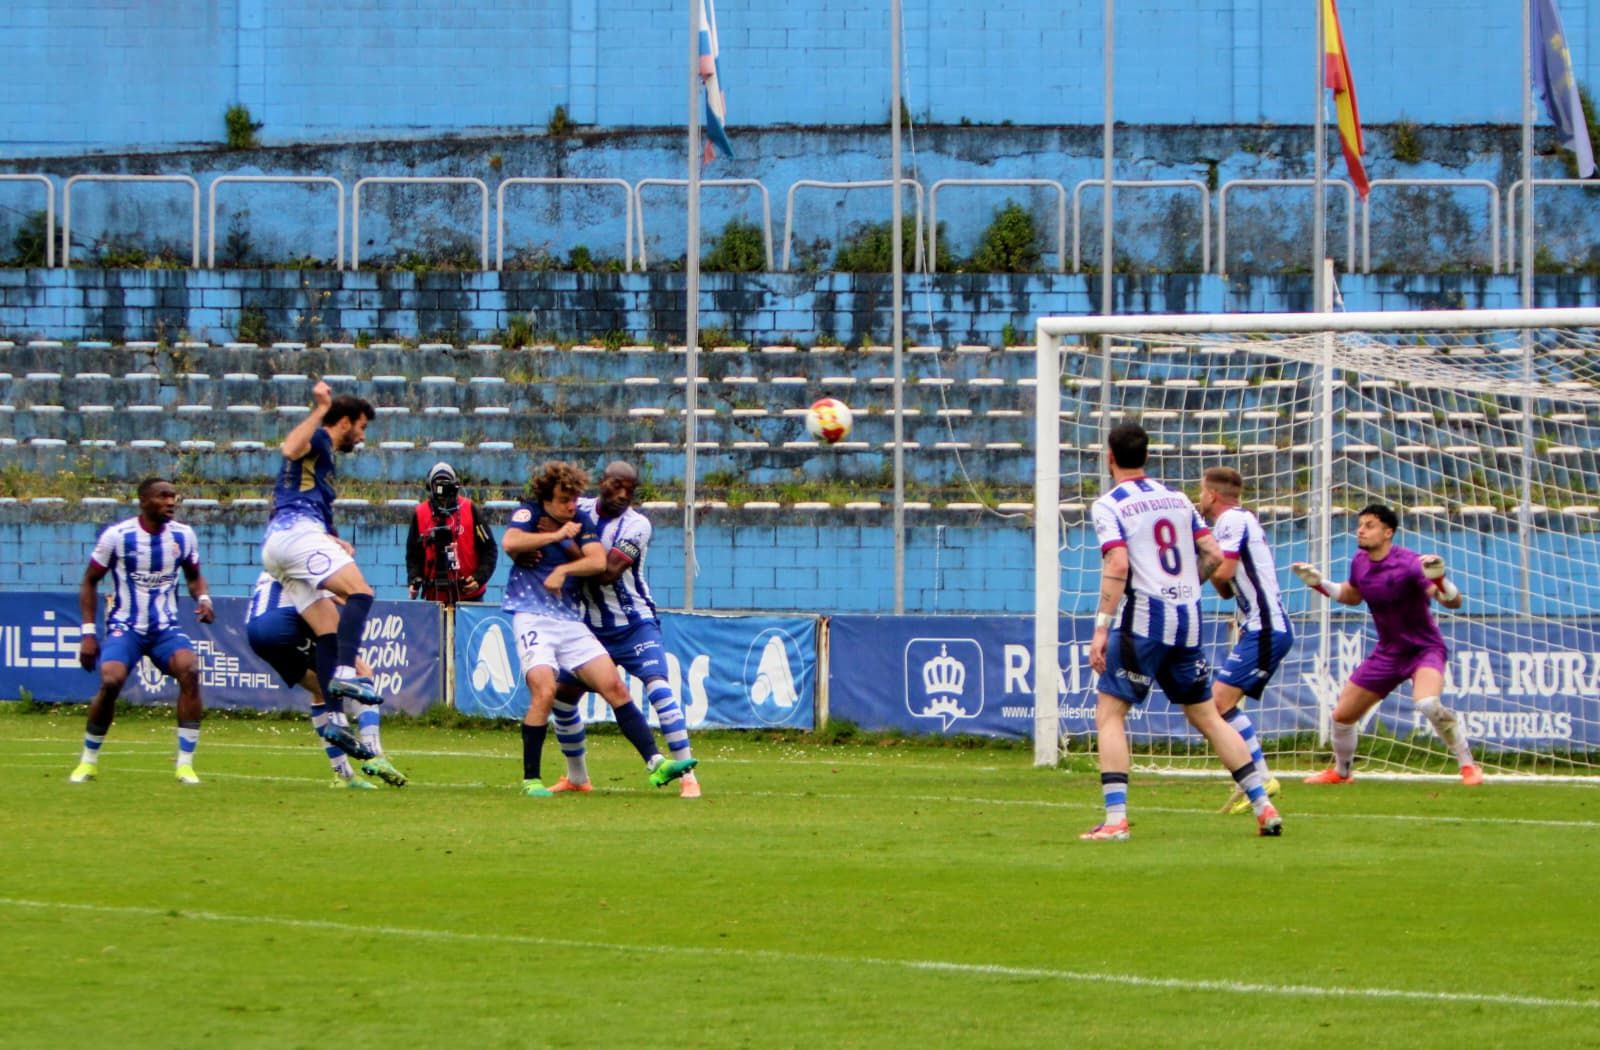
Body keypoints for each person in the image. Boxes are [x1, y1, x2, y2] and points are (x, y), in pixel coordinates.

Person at [1083, 424, 1282, 840]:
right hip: (1189, 619)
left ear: (1110, 457)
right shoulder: (1177, 498)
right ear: (1147, 456)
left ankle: (1116, 819)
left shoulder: (1109, 505)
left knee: (1110, 714)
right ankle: (1263, 806)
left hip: (1144, 622)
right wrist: (1186, 587)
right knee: (1207, 715)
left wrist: (1101, 629)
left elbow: (1118, 564)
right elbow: (1210, 553)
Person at [502, 461, 697, 797]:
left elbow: (602, 567)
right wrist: (549, 538)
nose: (571, 505)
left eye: (629, 489)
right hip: (542, 616)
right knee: (552, 694)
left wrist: (562, 558)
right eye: (615, 486)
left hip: (627, 622)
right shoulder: (540, 512)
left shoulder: (626, 524)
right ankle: (553, 778)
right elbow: (510, 543)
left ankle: (675, 770)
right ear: (603, 483)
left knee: (638, 687)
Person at [1291, 504, 1483, 786]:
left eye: (1369, 525)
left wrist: (1441, 581)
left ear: (1388, 532)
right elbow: (1352, 595)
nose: (1361, 529)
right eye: (1360, 524)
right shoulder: (1359, 561)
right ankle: (1342, 772)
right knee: (1342, 716)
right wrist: (1321, 584)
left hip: (1424, 649)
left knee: (1428, 703)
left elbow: (1453, 602)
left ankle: (1468, 765)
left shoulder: (1410, 564)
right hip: (1388, 652)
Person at [259, 379, 383, 760]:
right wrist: (319, 409)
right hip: (295, 536)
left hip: (283, 544)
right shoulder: (318, 439)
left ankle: (334, 718)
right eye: (361, 427)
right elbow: (289, 448)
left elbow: (313, 505)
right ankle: (346, 674)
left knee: (327, 629)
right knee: (361, 593)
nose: (361, 437)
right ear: (344, 422)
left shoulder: (324, 464)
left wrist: (334, 538)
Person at [70, 477, 214, 785]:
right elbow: (89, 581)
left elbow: (194, 576)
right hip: (126, 626)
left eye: (174, 496)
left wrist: (202, 597)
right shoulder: (118, 537)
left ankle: (185, 765)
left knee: (189, 669)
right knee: (111, 681)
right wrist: (88, 633)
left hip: (165, 628)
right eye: (163, 496)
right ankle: (88, 761)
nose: (171, 502)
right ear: (144, 501)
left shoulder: (183, 536)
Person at [245, 571, 407, 789]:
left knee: (321, 690)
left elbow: (327, 593)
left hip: (256, 632)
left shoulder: (280, 558)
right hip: (285, 620)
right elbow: (339, 594)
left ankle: (344, 776)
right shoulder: (311, 556)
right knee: (361, 671)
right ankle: (374, 751)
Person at [1196, 466, 1291, 815]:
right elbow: (1224, 587)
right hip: (1259, 627)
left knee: (1216, 704)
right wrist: (1213, 564)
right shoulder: (1231, 524)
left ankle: (1261, 777)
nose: (1199, 497)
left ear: (1213, 495)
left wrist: (1201, 565)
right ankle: (1258, 778)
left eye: (1202, 491)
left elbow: (1222, 571)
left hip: (1266, 627)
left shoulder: (1233, 520)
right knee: (1219, 704)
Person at [405, 461, 496, 605]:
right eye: (437, 484)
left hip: (469, 595)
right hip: (434, 596)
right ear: (430, 486)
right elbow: (413, 555)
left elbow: (489, 549)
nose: (441, 490)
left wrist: (479, 579)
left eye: (446, 484)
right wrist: (413, 579)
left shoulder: (469, 508)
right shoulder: (420, 513)